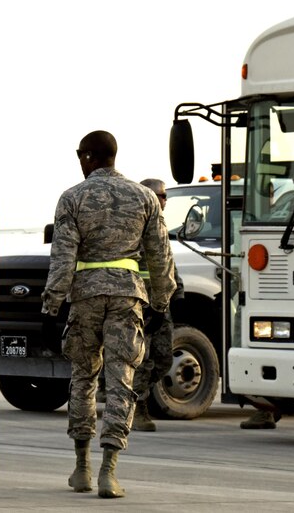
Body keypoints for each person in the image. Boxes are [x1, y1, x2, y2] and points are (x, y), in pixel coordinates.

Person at [41, 131, 175, 499]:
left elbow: (63, 256)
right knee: (122, 382)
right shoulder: (146, 197)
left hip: (84, 296)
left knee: (83, 379)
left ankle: (81, 467)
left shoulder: (72, 197)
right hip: (127, 296)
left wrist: (52, 304)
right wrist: (161, 301)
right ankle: (108, 472)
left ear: (88, 157)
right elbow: (161, 256)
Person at [131, 178, 185, 432]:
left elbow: (168, 263)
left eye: (164, 196)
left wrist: (178, 293)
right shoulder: (133, 226)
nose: (163, 200)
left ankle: (125, 392)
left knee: (163, 359)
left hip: (162, 304)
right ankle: (137, 407)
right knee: (142, 359)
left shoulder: (160, 226)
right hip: (141, 303)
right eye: (159, 195)